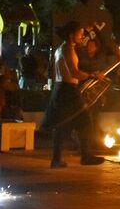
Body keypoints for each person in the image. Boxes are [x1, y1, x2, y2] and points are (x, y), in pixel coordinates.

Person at [40, 21, 107, 167]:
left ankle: (58, 159)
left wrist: (91, 74)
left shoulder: (64, 48)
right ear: (71, 35)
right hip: (67, 90)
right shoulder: (67, 50)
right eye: (80, 33)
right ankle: (85, 156)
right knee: (84, 121)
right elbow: (74, 72)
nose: (82, 36)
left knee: (63, 124)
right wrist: (92, 75)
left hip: (63, 89)